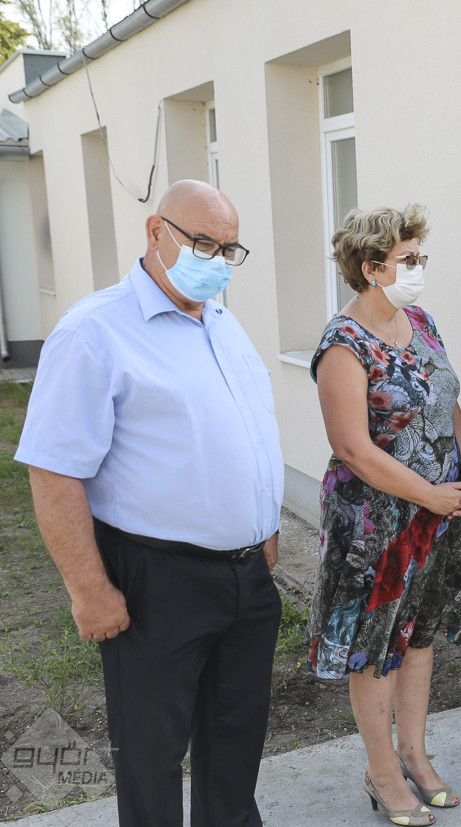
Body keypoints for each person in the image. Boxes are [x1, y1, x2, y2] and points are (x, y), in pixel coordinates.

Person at [15, 180, 284, 826]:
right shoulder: (94, 332)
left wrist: (264, 526)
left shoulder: (222, 322)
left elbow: (249, 433)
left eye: (228, 249)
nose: (217, 260)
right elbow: (53, 471)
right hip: (156, 580)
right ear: (155, 232)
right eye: (203, 242)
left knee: (235, 743)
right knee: (151, 754)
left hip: (246, 579)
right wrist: (89, 590)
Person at [306, 206, 461, 825]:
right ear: (371, 268)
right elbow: (353, 447)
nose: (418, 268)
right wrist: (429, 495)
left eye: (418, 256)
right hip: (375, 527)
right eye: (408, 259)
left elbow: (446, 398)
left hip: (436, 518)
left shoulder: (420, 321)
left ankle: (414, 754)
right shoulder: (343, 344)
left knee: (419, 636)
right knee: (375, 647)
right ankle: (382, 774)